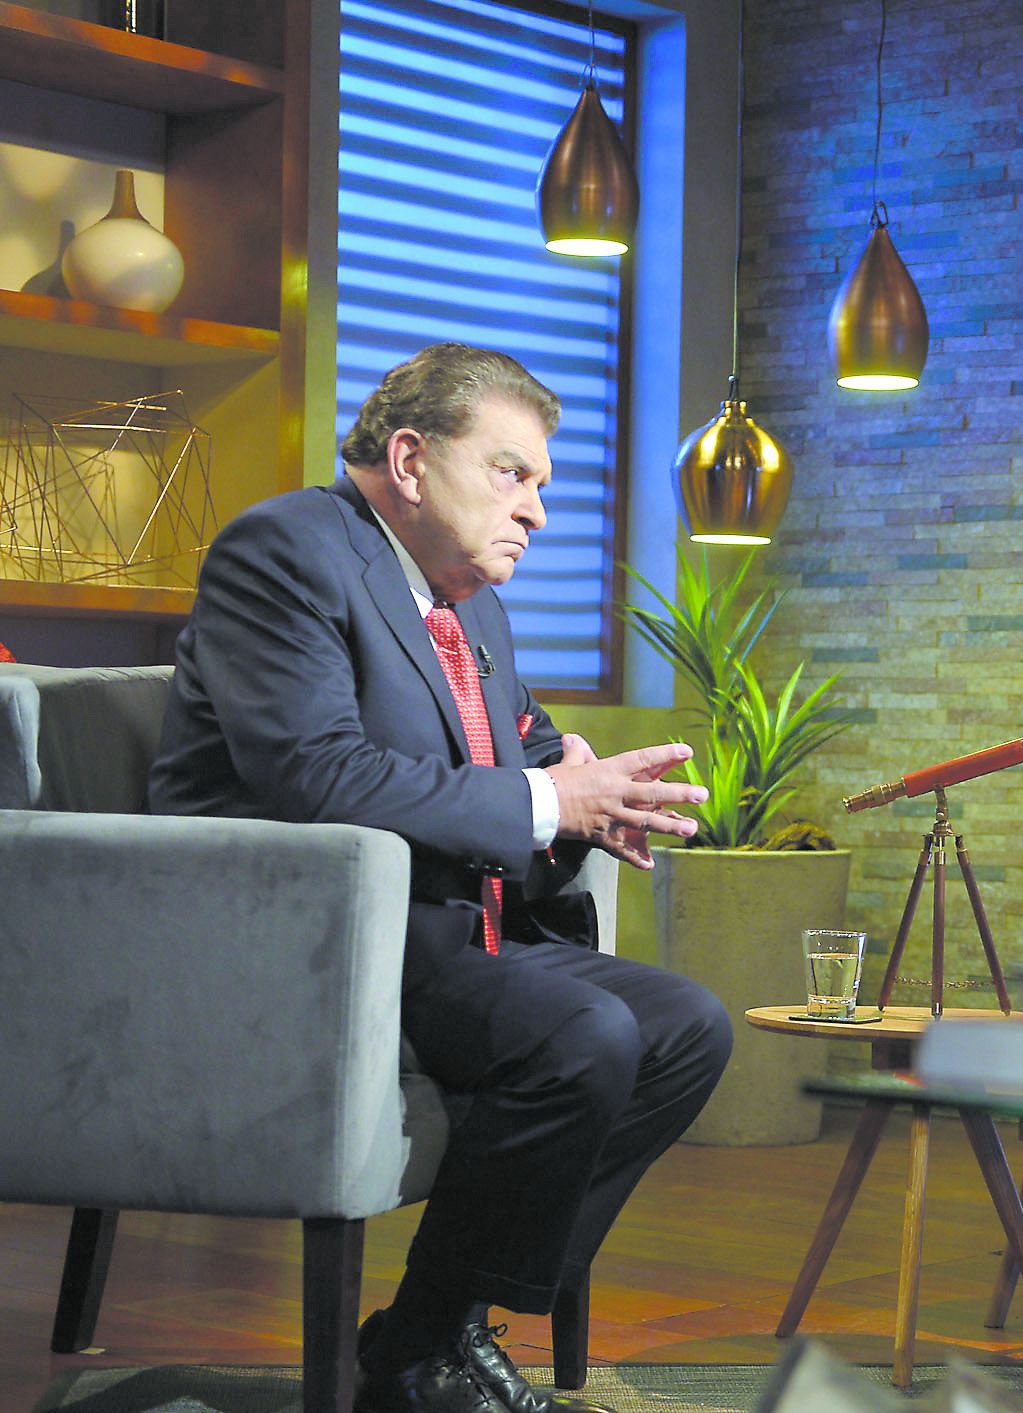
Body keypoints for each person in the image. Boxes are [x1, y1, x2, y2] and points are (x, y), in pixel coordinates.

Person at [151, 344, 732, 1413]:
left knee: (687, 1026)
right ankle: (432, 1348)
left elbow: (530, 761)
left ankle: (433, 1331)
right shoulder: (285, 552)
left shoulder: (472, 606)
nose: (539, 512)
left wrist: (597, 806)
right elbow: (314, 772)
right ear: (411, 459)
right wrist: (555, 801)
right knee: (584, 1036)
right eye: (512, 473)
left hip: (442, 934)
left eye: (544, 485)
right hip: (305, 944)